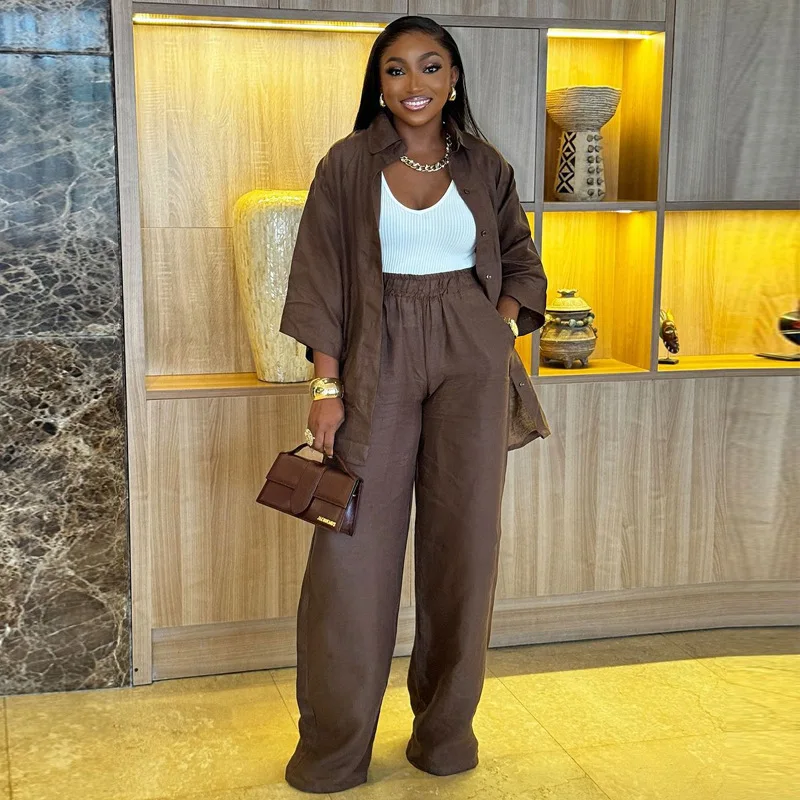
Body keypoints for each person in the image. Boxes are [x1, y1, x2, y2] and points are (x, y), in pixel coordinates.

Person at [278, 14, 549, 794]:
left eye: (431, 66)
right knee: (351, 552)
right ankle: (334, 753)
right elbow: (320, 277)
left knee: (464, 546)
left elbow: (521, 261)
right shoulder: (346, 164)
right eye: (396, 69)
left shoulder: (485, 166)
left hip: (470, 353)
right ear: (380, 83)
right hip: (376, 353)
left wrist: (496, 331)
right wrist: (325, 386)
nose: (415, 83)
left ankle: (445, 738)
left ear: (454, 79)